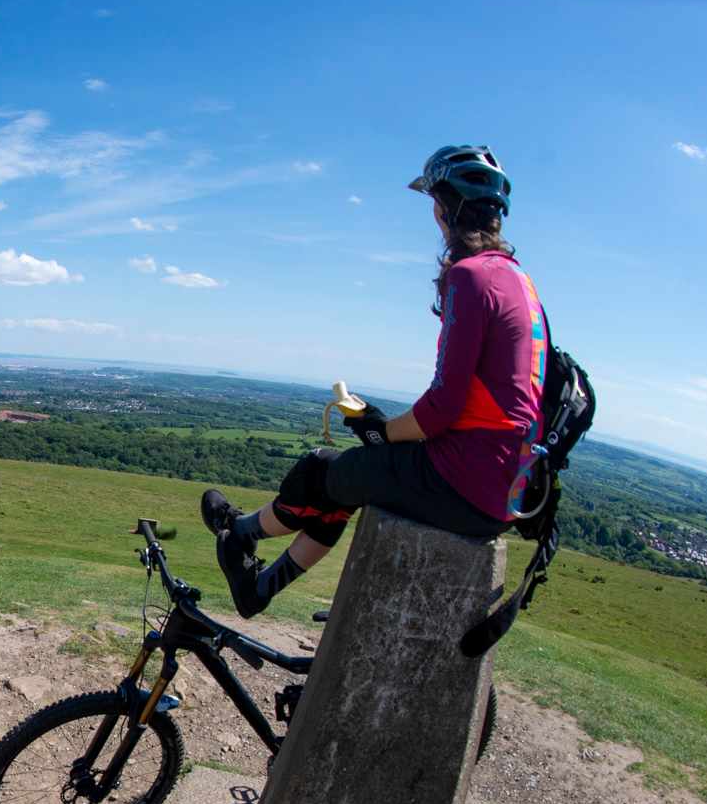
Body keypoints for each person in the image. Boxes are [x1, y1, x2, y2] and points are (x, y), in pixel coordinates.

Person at [202, 144, 547, 619]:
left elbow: (444, 406)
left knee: (320, 470)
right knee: (345, 478)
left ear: (443, 207)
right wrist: (384, 431)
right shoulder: (519, 282)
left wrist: (381, 431)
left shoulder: (470, 277)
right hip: (505, 490)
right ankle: (257, 586)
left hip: (464, 484)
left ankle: (239, 536)